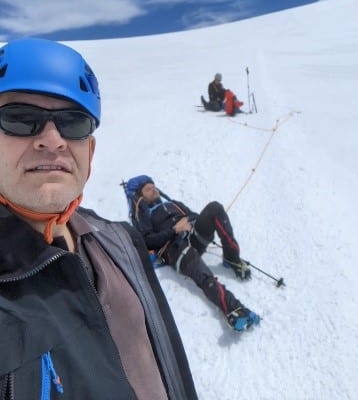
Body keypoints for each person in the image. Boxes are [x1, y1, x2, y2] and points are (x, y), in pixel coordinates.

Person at [0, 38, 197, 400]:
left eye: (73, 123)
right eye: (20, 119)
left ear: (89, 151)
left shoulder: (119, 240)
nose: (52, 140)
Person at [124, 175, 260, 332]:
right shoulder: (141, 214)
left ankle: (232, 258)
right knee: (197, 267)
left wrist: (188, 222)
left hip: (193, 236)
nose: (153, 188)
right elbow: (147, 241)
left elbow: (194, 215)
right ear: (139, 196)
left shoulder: (172, 203)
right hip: (174, 248)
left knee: (214, 208)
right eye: (148, 188)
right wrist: (175, 229)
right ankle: (233, 309)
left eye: (153, 185)